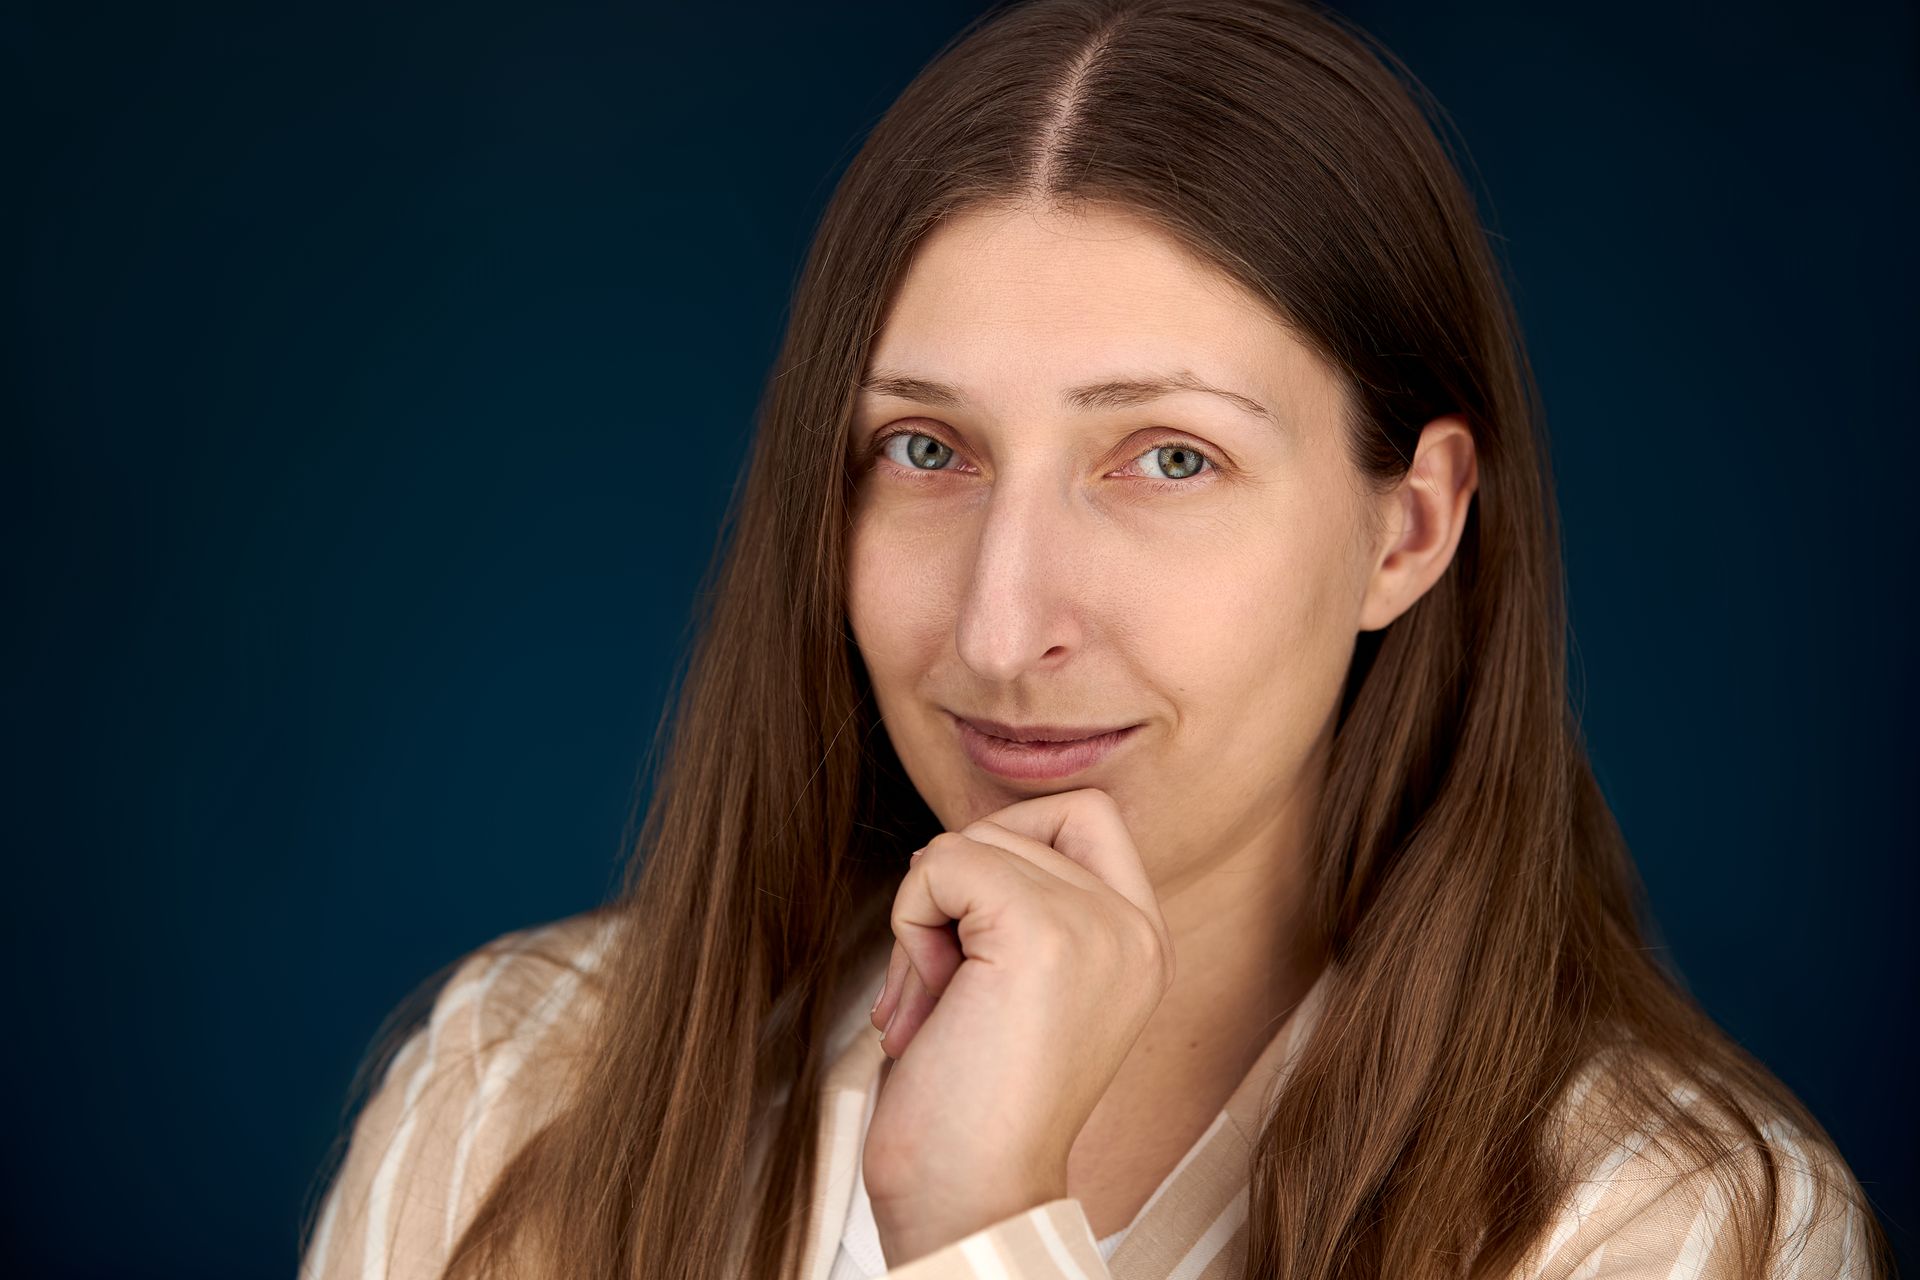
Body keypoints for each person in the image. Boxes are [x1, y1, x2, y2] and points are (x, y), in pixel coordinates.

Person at [295, 1, 1891, 1276]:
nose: (1001, 628)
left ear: (1407, 530)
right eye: (926, 450)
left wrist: (983, 1227)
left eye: (1168, 459)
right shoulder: (523, 1080)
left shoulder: (1668, 1227)